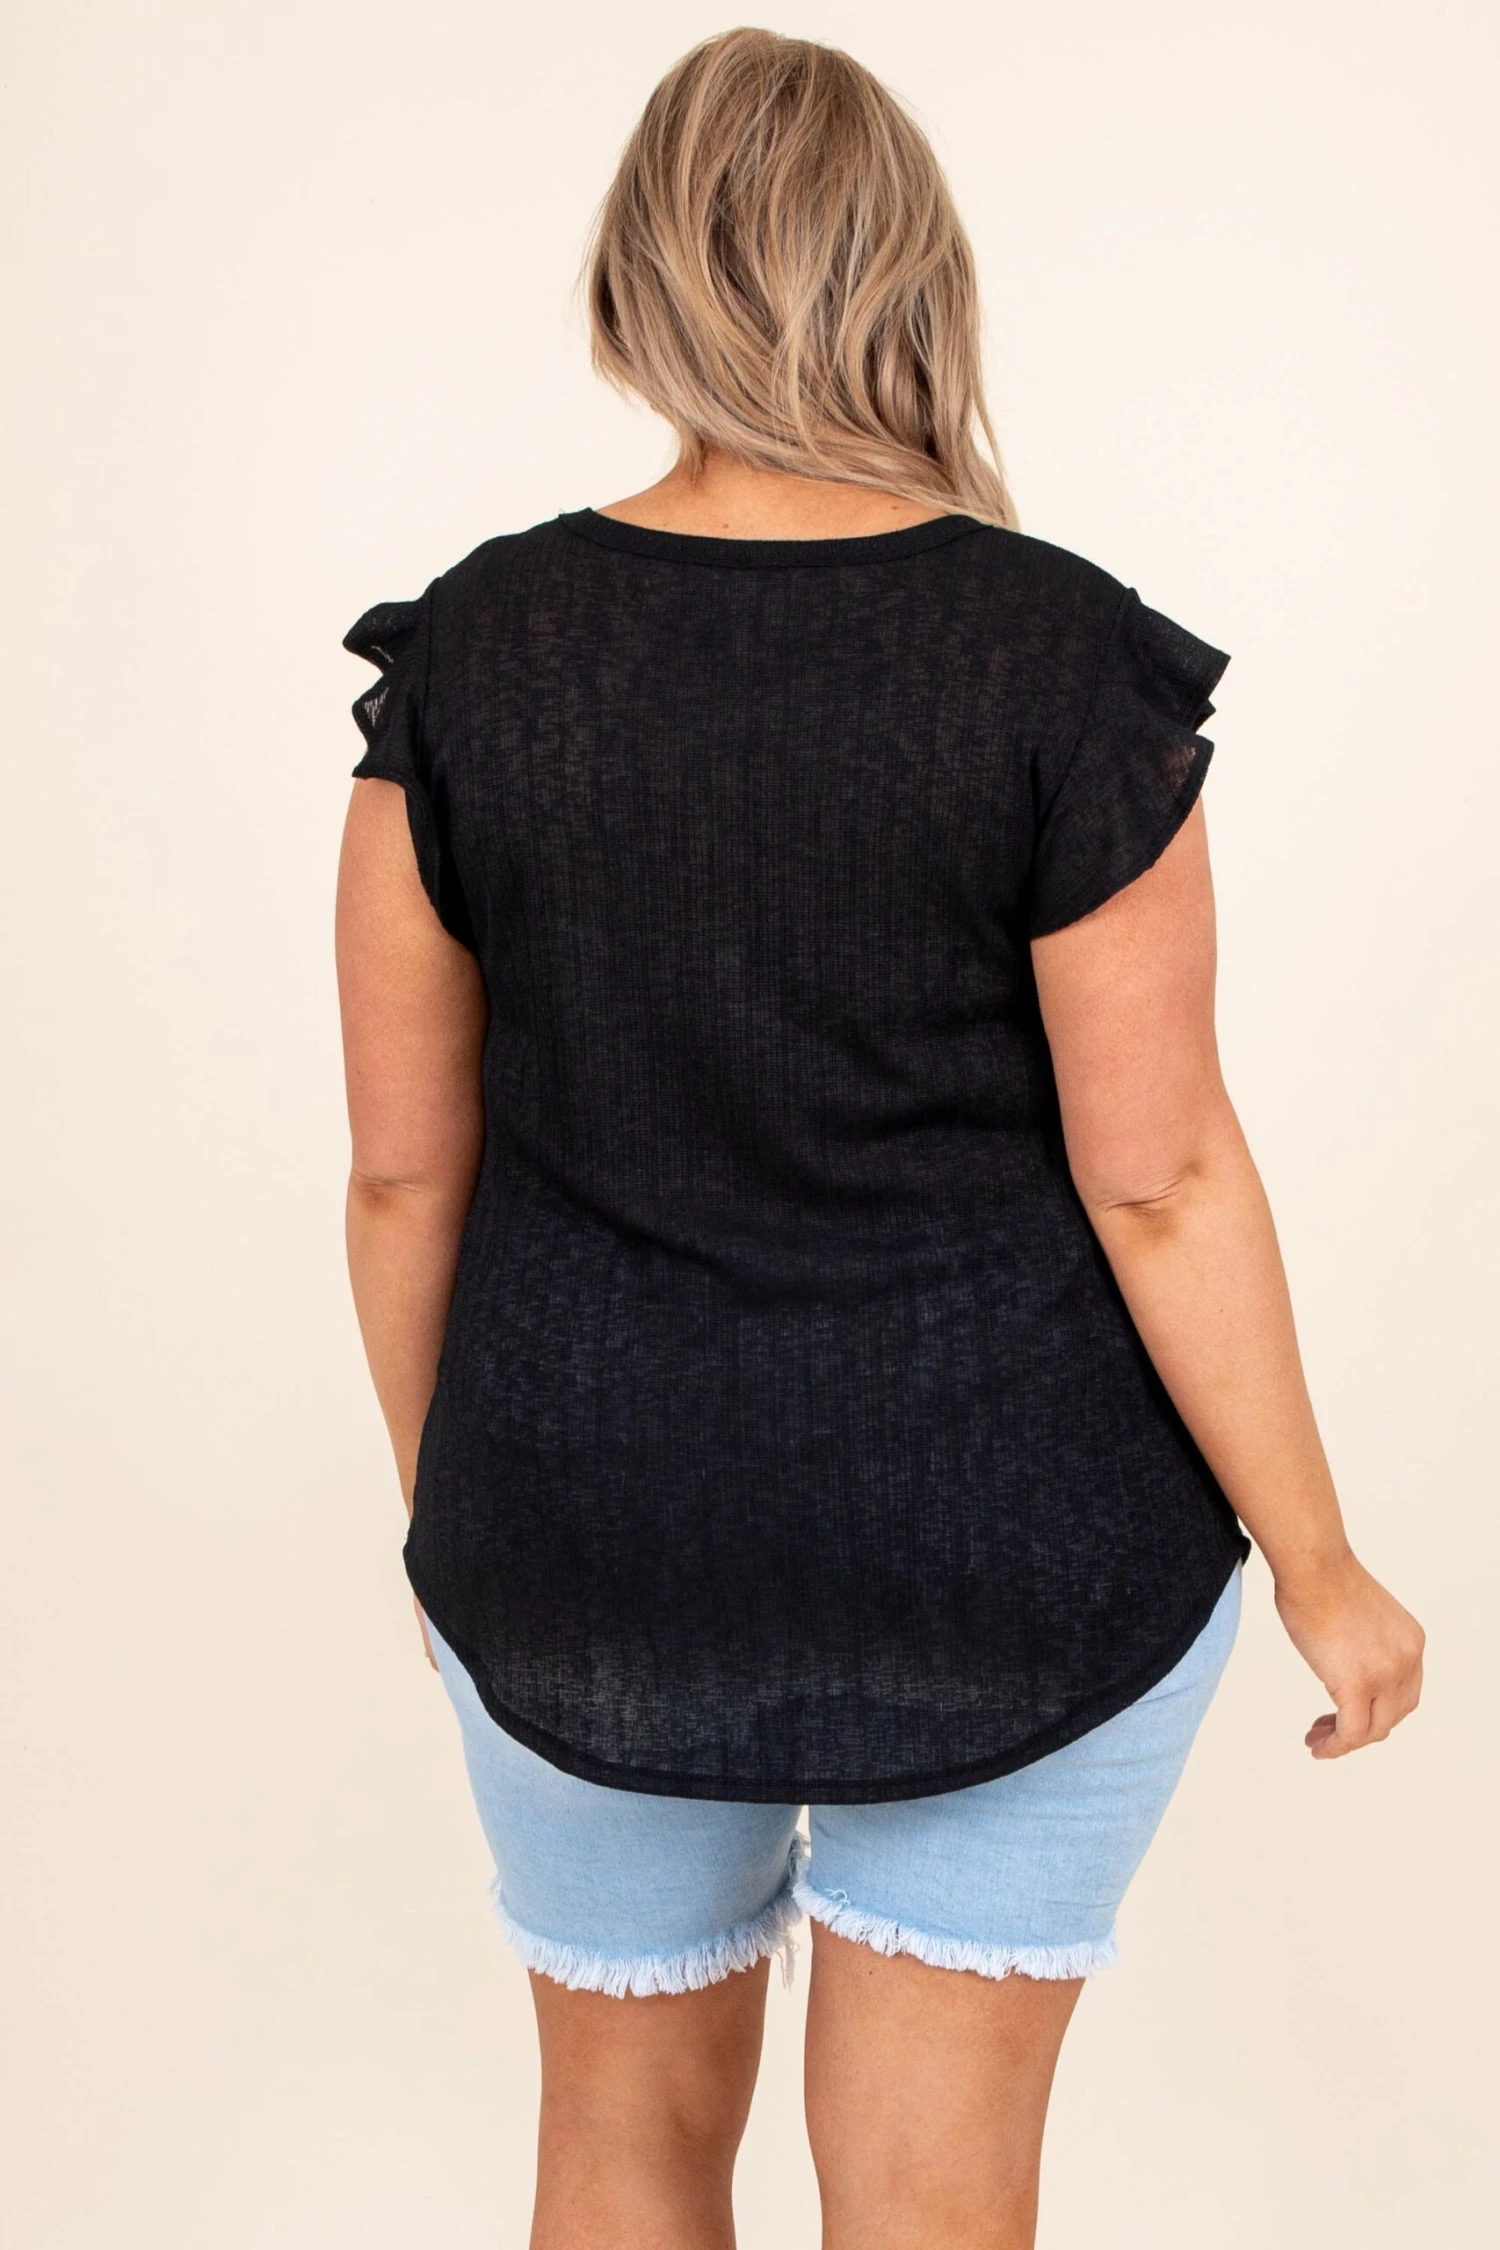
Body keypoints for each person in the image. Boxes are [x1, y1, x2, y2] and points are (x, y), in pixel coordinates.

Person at [333, 27, 1424, 2250]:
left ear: (635, 280)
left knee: (619, 2143)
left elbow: (401, 1173)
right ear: (918, 279)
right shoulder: (1065, 661)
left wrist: (475, 1523)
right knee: (936, 2194)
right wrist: (1321, 1566)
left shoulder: (473, 659)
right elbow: (1160, 1172)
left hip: (583, 1529)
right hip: (1018, 1548)